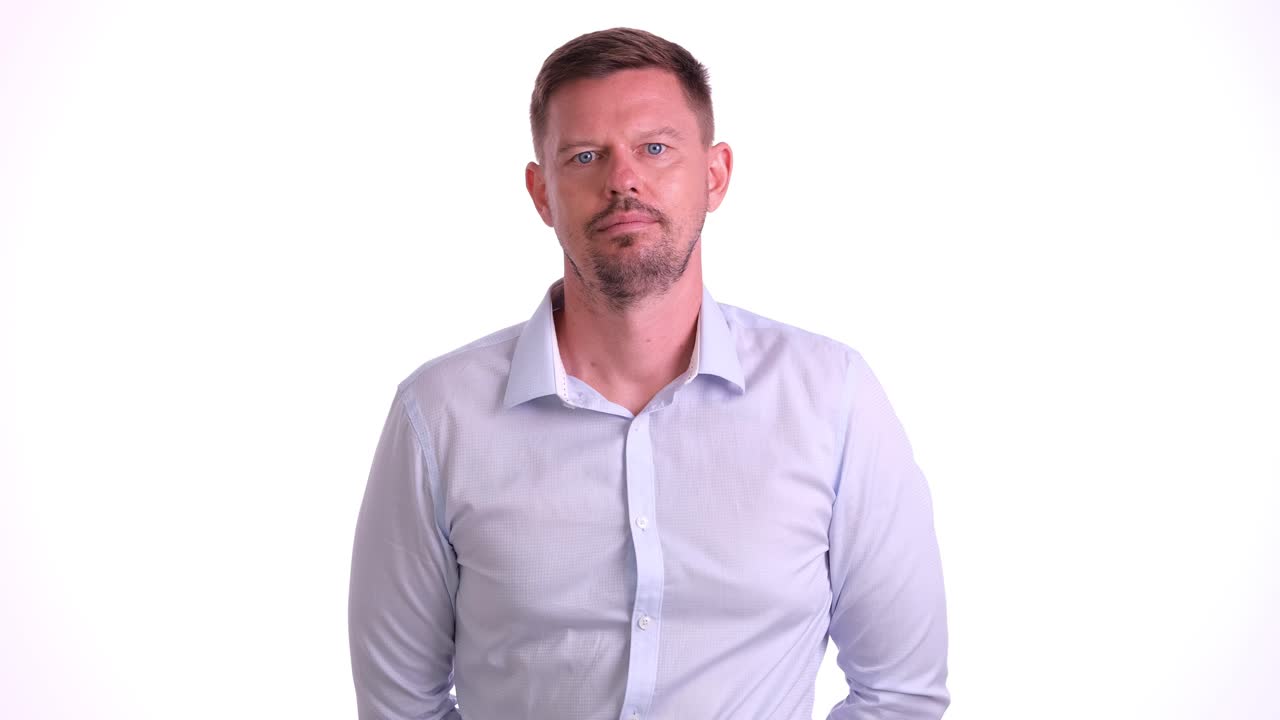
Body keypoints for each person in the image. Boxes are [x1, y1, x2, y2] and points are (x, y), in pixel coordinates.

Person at [348, 27, 949, 720]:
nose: (622, 180)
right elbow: (400, 706)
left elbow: (899, 693)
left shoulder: (831, 398)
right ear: (541, 193)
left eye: (655, 148)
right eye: (585, 156)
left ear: (715, 175)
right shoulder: (440, 415)